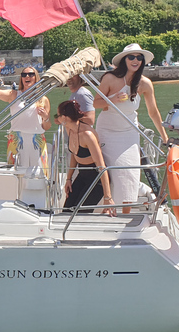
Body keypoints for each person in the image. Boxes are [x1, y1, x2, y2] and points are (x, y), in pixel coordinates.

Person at [93, 43, 168, 214]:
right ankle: (107, 207)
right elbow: (96, 103)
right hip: (108, 130)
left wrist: (165, 138)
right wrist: (114, 98)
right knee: (111, 171)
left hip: (129, 133)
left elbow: (153, 112)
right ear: (124, 60)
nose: (136, 60)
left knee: (130, 172)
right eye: (131, 57)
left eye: (139, 57)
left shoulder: (145, 84)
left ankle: (124, 214)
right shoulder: (110, 78)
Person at [0, 61, 51, 178]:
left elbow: (46, 127)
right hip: (17, 139)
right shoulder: (13, 95)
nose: (27, 77)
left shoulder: (43, 99)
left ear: (36, 77)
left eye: (31, 74)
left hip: (37, 140)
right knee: (16, 175)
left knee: (39, 176)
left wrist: (46, 118)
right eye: (24, 75)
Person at [56, 100, 115, 216]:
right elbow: (74, 153)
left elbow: (101, 166)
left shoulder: (87, 135)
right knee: (66, 211)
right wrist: (69, 179)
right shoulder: (70, 129)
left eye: (57, 116)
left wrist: (108, 197)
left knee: (79, 214)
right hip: (82, 174)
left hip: (95, 177)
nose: (56, 118)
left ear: (64, 117)